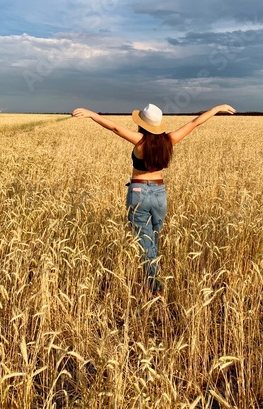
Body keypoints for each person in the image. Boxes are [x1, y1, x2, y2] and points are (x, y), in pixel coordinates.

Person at [71, 103, 236, 294]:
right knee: (153, 239)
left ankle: (154, 285)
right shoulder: (169, 140)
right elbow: (195, 123)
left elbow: (115, 128)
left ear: (143, 124)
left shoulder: (140, 141)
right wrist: (216, 108)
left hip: (139, 192)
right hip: (159, 193)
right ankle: (152, 279)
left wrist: (92, 114)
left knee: (144, 241)